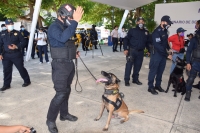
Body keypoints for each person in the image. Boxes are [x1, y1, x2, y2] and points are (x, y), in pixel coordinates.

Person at [46, 4, 84, 133]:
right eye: (70, 17)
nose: (72, 19)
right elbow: (62, 38)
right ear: (62, 14)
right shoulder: (54, 27)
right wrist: (76, 22)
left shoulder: (65, 26)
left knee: (66, 91)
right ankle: (50, 120)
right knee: (60, 93)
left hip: (68, 63)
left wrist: (73, 52)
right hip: (60, 65)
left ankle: (64, 114)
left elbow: (68, 42)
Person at [0, 19, 31, 91]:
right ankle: (6, 85)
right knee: (6, 70)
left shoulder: (18, 33)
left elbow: (24, 42)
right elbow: (0, 44)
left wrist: (16, 46)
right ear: (6, 25)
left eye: (12, 24)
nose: (11, 25)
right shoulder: (2, 34)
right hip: (6, 55)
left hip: (16, 54)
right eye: (9, 24)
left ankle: (27, 81)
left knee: (21, 68)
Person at [147, 15, 173, 95]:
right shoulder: (156, 32)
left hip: (162, 55)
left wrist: (169, 48)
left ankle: (157, 85)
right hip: (157, 54)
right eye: (167, 23)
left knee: (160, 71)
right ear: (162, 22)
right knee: (153, 71)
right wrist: (167, 55)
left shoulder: (165, 31)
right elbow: (158, 46)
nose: (168, 25)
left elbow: (165, 42)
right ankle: (150, 87)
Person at [123, 17, 150, 86]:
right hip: (132, 51)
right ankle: (126, 80)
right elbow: (126, 39)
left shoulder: (146, 32)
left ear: (144, 23)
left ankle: (135, 79)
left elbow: (148, 42)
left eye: (142, 21)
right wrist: (125, 49)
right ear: (137, 23)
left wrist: (149, 50)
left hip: (141, 52)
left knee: (138, 66)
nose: (141, 23)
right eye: (139, 22)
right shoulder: (132, 30)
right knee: (129, 66)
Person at [185, 20, 200, 101]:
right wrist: (188, 62)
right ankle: (188, 93)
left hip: (195, 62)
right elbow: (189, 51)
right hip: (195, 62)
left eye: (196, 24)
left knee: (191, 78)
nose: (196, 25)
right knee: (191, 78)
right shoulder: (195, 38)